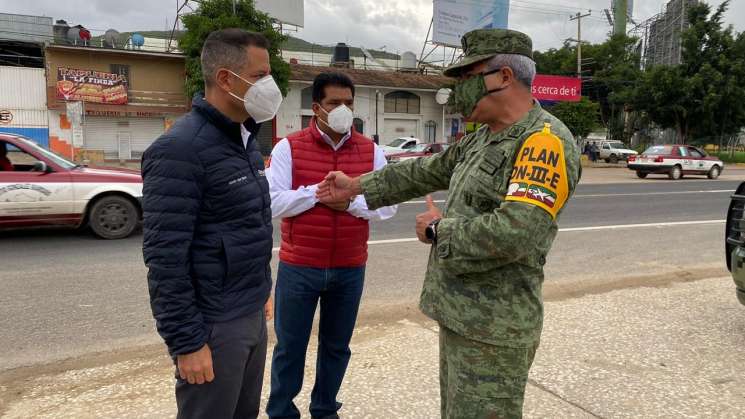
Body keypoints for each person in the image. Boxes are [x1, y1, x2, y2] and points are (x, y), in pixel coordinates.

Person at [317, 28, 581, 419]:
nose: (457, 90)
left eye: (465, 78)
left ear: (503, 77)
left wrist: (439, 230)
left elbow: (516, 232)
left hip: (496, 328)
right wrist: (355, 186)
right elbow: (424, 172)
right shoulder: (482, 139)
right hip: (462, 315)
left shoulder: (543, 142)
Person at [142, 28, 281, 419]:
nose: (269, 86)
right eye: (259, 76)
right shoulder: (179, 150)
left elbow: (247, 229)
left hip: (250, 313)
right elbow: (165, 258)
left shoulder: (246, 142)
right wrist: (186, 343)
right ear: (225, 79)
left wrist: (261, 289)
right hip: (214, 326)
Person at [265, 72, 397, 419]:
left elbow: (387, 206)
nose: (343, 110)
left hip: (350, 267)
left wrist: (349, 202)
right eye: (334, 103)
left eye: (349, 103)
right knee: (290, 347)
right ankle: (281, 411)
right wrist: (318, 194)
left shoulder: (370, 152)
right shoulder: (288, 147)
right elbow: (273, 202)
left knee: (336, 347)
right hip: (300, 266)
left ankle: (324, 408)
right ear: (316, 108)